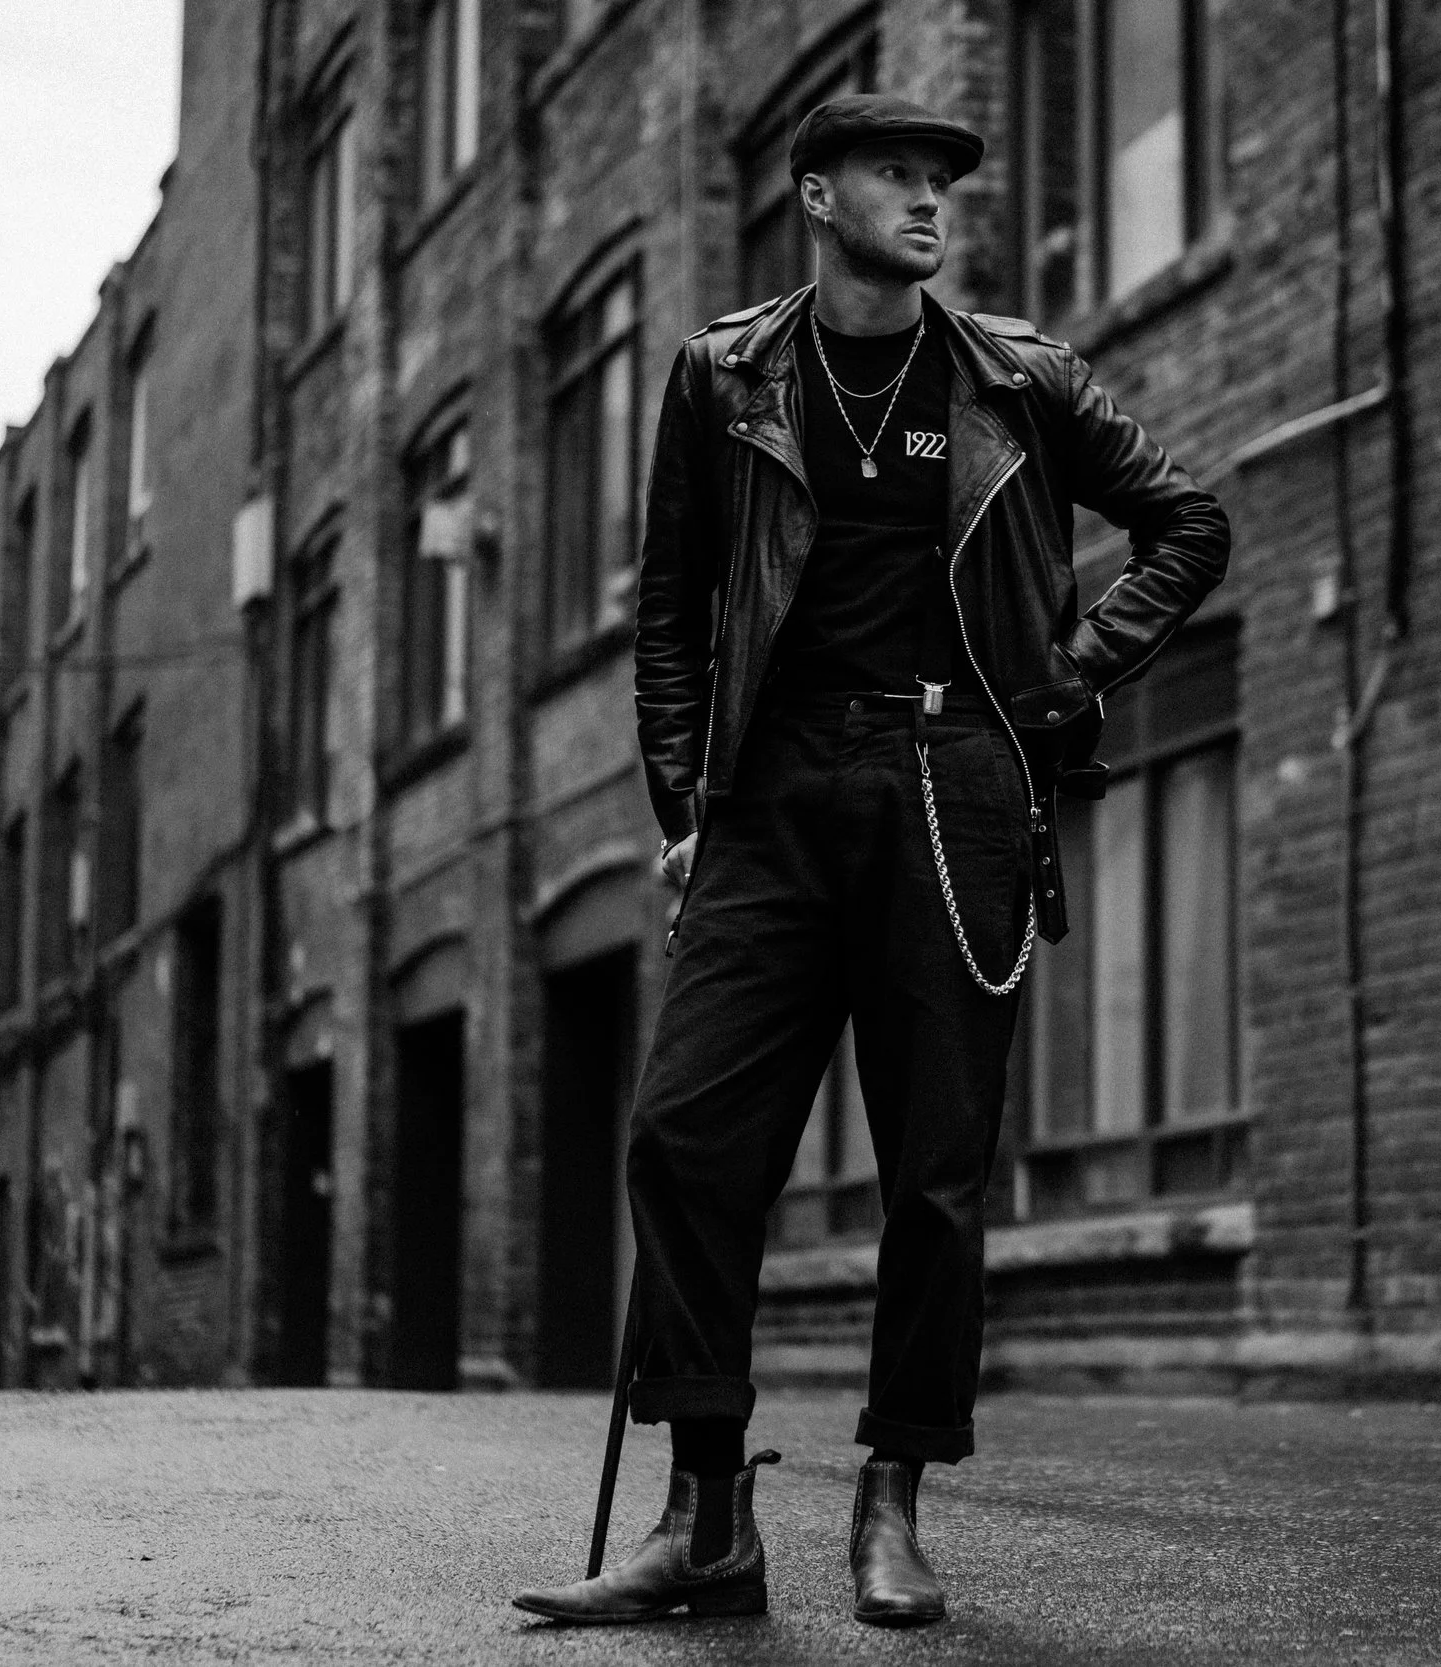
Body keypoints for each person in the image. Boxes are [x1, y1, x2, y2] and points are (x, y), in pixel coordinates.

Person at [513, 91, 1228, 1629]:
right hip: (770, 799)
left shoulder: (1018, 380)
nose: (927, 200)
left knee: (933, 1175)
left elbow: (1189, 523)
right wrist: (682, 806)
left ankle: (893, 1501)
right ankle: (707, 1517)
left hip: (949, 788)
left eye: (937, 181)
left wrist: (1066, 677)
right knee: (682, 1138)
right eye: (894, 175)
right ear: (818, 197)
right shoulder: (722, 378)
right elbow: (671, 611)